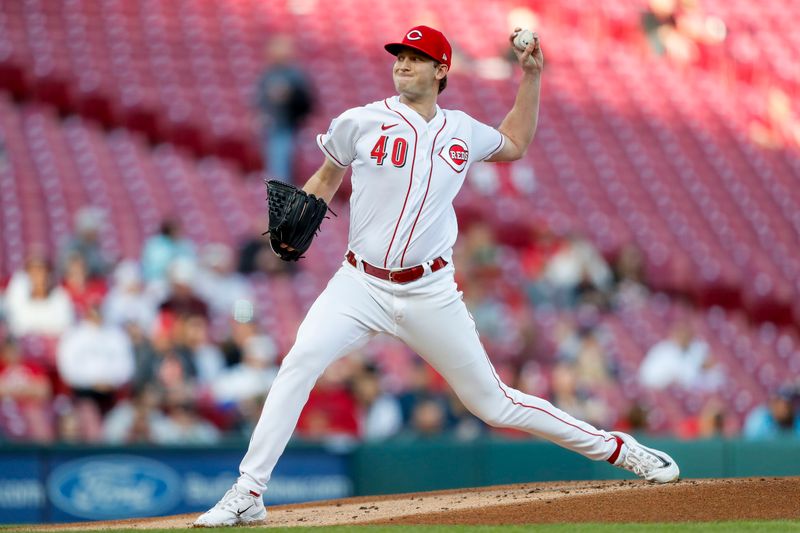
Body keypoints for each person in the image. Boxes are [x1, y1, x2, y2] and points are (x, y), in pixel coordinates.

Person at [195, 26, 679, 528]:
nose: (402, 64)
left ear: (441, 70)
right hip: (359, 283)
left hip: (430, 290)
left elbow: (514, 142)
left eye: (416, 57)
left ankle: (618, 448)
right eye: (399, 56)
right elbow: (328, 171)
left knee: (493, 404)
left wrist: (530, 77)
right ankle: (248, 491)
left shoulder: (462, 131)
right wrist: (305, 205)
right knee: (299, 362)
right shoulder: (360, 121)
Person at [254, 35, 314, 184]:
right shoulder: (269, 74)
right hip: (272, 126)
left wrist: (290, 95)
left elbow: (308, 102)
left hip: (290, 126)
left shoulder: (295, 75)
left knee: (284, 166)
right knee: (276, 165)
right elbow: (260, 101)